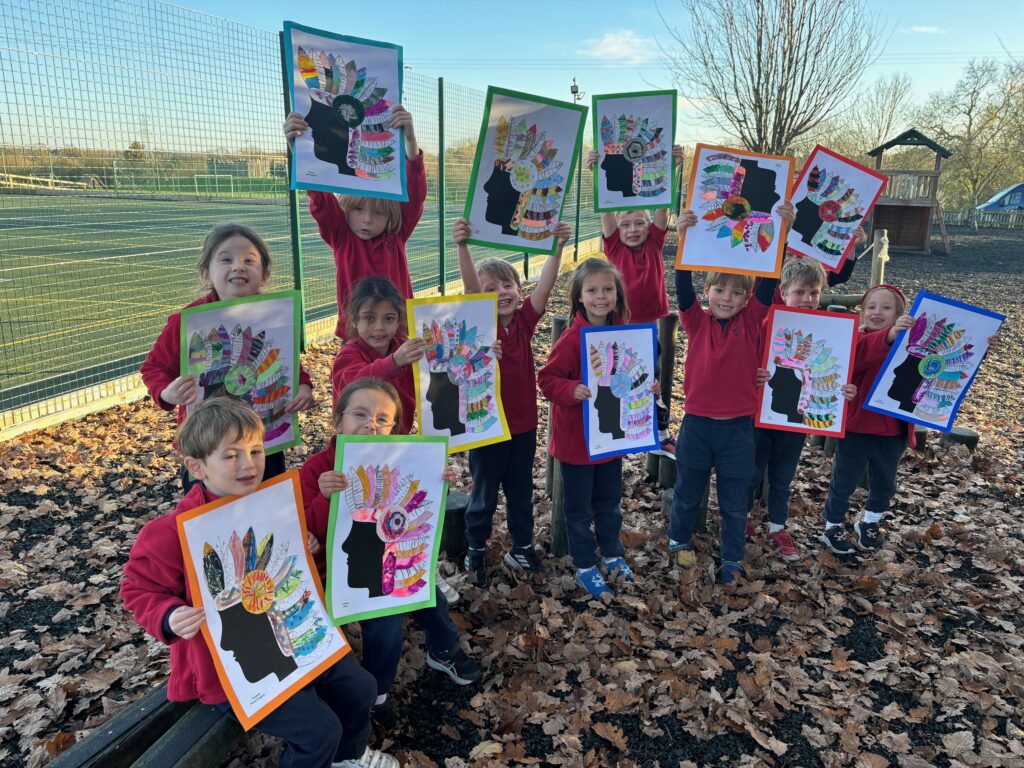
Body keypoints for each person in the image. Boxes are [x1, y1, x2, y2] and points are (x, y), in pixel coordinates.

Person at [120, 398, 395, 768]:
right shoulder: (172, 532)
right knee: (319, 731)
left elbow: (292, 568)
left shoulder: (274, 507)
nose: (248, 464)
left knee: (361, 688)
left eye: (255, 450)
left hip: (296, 640)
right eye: (231, 456)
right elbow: (138, 589)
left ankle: (346, 759)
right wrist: (169, 615)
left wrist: (309, 545)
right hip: (231, 669)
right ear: (196, 467)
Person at [300, 378, 482, 726]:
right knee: (385, 623)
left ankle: (443, 650)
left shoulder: (403, 459)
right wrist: (324, 497)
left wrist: (436, 483)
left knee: (429, 594)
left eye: (383, 419)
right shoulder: (316, 469)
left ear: (394, 427)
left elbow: (416, 514)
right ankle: (377, 695)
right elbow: (310, 533)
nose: (371, 424)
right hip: (335, 570)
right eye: (360, 414)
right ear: (337, 421)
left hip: (388, 557)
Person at [667, 204, 791, 585]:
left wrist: (781, 232)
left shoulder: (752, 321)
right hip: (697, 426)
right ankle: (678, 541)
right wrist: (684, 237)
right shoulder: (696, 322)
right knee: (688, 491)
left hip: (738, 429)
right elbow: (683, 288)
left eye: (736, 293)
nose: (726, 297)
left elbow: (769, 285)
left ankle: (732, 559)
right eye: (719, 290)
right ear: (709, 292)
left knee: (735, 502)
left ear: (744, 299)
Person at [140, 223, 314, 491]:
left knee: (267, 505)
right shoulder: (187, 322)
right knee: (211, 517)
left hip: (263, 443)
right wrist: (166, 393)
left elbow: (283, 361)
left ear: (264, 274)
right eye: (226, 259)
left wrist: (303, 386)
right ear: (206, 272)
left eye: (249, 260)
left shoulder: (275, 318)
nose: (238, 266)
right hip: (208, 448)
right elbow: (154, 367)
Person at [454, 217, 571, 587]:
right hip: (487, 429)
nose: (502, 292)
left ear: (519, 290)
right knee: (484, 494)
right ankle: (475, 548)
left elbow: (547, 286)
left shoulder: (523, 323)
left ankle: (522, 546)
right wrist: (462, 247)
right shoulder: (479, 329)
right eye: (493, 287)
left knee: (521, 492)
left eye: (508, 285)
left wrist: (556, 248)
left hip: (522, 428)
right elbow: (473, 289)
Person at [538, 258, 655, 599]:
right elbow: (547, 380)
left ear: (617, 295)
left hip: (610, 440)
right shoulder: (573, 339)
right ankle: (586, 562)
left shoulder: (625, 336)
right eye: (592, 290)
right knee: (578, 509)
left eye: (607, 289)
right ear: (579, 297)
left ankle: (613, 554)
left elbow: (636, 376)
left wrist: (649, 388)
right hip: (577, 444)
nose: (600, 296)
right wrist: (571, 390)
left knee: (609, 502)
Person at [746, 258, 857, 560]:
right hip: (762, 415)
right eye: (800, 292)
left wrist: (843, 390)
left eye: (814, 293)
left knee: (782, 477)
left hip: (796, 422)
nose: (807, 299)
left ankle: (777, 526)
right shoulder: (768, 323)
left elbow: (836, 371)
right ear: (783, 292)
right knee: (751, 473)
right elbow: (749, 358)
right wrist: (753, 372)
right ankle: (743, 519)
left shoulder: (828, 333)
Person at [283, 106, 425, 340]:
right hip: (356, 338)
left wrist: (409, 139)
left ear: (391, 217)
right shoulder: (341, 236)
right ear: (346, 209)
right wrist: (298, 148)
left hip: (398, 335)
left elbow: (416, 193)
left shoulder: (396, 236)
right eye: (359, 210)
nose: (367, 219)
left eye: (378, 213)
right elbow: (319, 194)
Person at [586, 146, 685, 457]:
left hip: (648, 329)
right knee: (619, 381)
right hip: (619, 330)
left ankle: (660, 432)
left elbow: (662, 210)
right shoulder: (614, 249)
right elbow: (606, 214)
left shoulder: (655, 243)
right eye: (626, 224)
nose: (632, 230)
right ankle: (624, 428)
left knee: (652, 381)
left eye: (638, 223)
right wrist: (597, 174)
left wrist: (670, 168)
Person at [821, 284, 916, 554]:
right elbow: (858, 357)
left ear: (899, 314)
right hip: (857, 427)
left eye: (886, 308)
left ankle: (871, 522)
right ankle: (833, 525)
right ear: (863, 313)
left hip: (892, 429)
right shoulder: (857, 339)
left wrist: (981, 345)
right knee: (844, 480)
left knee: (885, 482)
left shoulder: (910, 343)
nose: (877, 312)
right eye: (871, 307)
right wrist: (888, 336)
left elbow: (940, 363)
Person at [330, 276, 422, 432]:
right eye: (369, 318)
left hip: (397, 438)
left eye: (388, 319)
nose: (379, 327)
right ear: (353, 320)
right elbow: (353, 384)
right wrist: (394, 362)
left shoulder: (404, 349)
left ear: (398, 321)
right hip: (358, 441)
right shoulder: (348, 355)